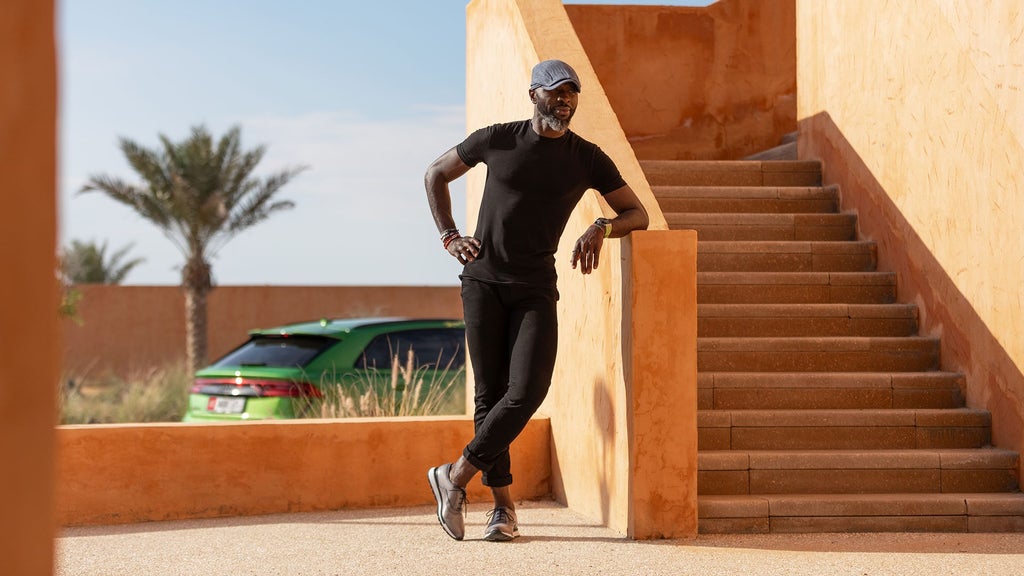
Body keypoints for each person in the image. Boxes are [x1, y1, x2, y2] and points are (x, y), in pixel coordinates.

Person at [423, 59, 649, 542]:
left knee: (526, 391)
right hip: (482, 283)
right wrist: (449, 236)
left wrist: (602, 225)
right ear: (534, 95)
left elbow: (637, 212)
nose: (564, 100)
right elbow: (434, 174)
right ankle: (502, 510)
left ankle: (454, 477)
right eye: (555, 92)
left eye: (571, 93)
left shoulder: (586, 157)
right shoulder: (496, 138)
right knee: (490, 395)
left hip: (536, 288)